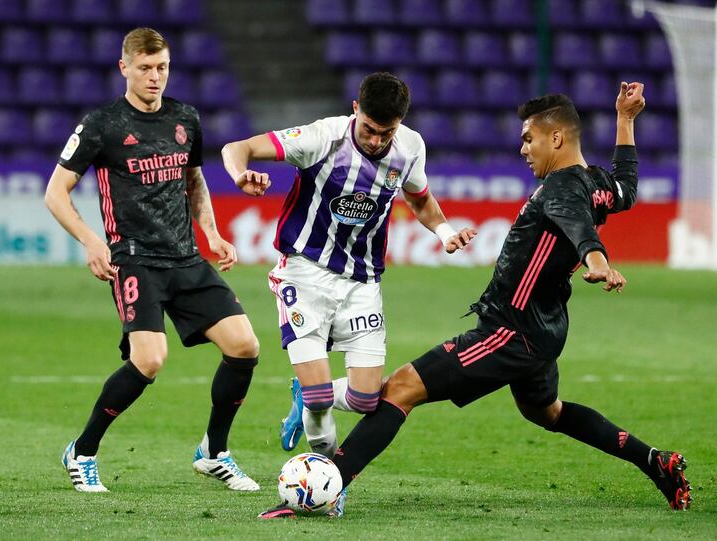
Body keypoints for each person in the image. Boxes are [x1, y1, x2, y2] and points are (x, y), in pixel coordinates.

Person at [259, 82, 692, 518]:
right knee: (548, 413)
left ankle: (325, 486)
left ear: (556, 138)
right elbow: (627, 188)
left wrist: (597, 260)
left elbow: (581, 230)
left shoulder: (562, 189)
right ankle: (654, 460)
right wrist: (626, 121)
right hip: (545, 327)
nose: (523, 149)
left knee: (400, 390)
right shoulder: (596, 183)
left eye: (529, 139)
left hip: (509, 331)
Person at [45, 27, 260, 493]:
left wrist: (212, 233)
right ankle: (81, 452)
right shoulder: (101, 123)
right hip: (135, 259)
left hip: (186, 256)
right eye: (144, 68)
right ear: (124, 68)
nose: (154, 77)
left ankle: (214, 452)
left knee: (244, 346)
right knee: (150, 360)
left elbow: (195, 181)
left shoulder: (185, 117)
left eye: (161, 67)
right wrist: (90, 241)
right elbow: (55, 193)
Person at [221, 73, 476, 460]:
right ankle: (330, 484)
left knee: (364, 397)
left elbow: (420, 199)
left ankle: (302, 398)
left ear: (400, 124)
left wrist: (444, 232)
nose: (376, 141)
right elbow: (237, 146)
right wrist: (240, 173)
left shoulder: (410, 148)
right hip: (305, 272)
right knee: (322, 397)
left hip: (363, 282)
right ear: (355, 110)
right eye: (370, 130)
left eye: (386, 133)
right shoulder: (323, 137)